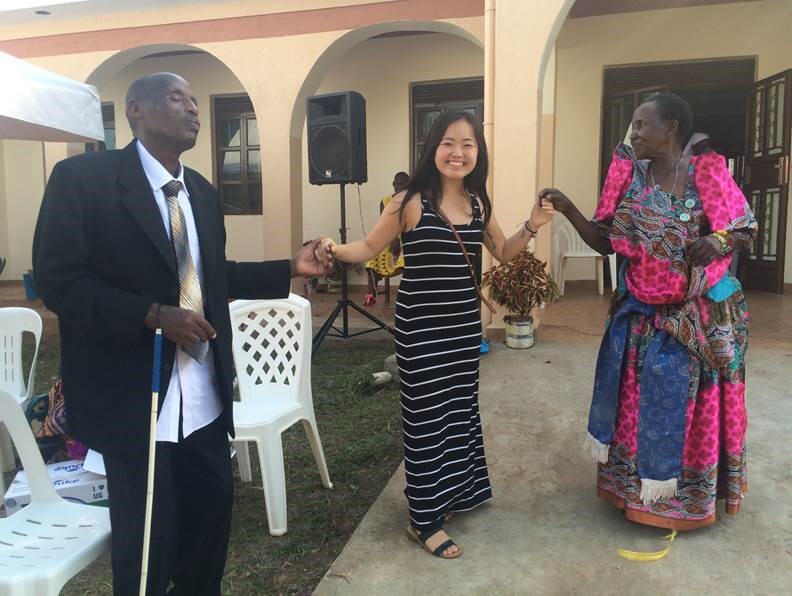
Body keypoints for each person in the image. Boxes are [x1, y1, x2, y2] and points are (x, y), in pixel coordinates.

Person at [32, 72, 330, 595]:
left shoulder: (200, 193)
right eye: (178, 98)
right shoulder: (83, 179)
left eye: (196, 100)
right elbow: (59, 282)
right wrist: (151, 314)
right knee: (147, 547)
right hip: (136, 403)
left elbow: (213, 275)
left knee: (208, 536)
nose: (193, 109)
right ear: (136, 110)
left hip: (205, 401)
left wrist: (290, 267)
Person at [317, 111, 553, 558]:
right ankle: (422, 520)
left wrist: (533, 224)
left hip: (464, 331)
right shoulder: (409, 201)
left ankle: (455, 495)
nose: (458, 152)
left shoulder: (478, 202)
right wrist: (334, 248)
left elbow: (503, 252)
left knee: (459, 414)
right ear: (433, 148)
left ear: (477, 153)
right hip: (421, 333)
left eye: (468, 144)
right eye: (448, 142)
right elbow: (369, 248)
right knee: (426, 422)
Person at [541, 93, 757, 530]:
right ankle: (631, 494)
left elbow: (743, 227)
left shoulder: (705, 171)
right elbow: (606, 242)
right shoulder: (631, 176)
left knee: (685, 408)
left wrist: (717, 242)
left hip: (692, 321)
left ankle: (684, 502)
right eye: (634, 126)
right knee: (635, 408)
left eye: (642, 124)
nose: (634, 133)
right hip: (640, 316)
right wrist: (568, 209)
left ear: (671, 127)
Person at [362, 171, 408, 306]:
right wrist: (393, 239)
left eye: (404, 185)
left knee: (407, 256)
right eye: (398, 184)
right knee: (372, 258)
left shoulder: (411, 201)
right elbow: (384, 225)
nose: (400, 188)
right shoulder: (385, 201)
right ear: (393, 184)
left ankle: (406, 294)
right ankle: (372, 294)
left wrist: (399, 239)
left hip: (406, 238)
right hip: (390, 237)